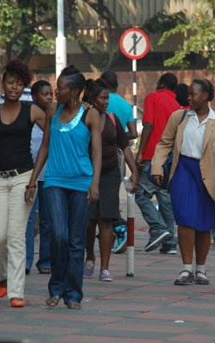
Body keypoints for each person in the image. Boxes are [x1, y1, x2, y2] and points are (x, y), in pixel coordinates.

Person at [27, 65, 102, 310]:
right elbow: (45, 148)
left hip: (81, 182)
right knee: (59, 235)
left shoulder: (90, 114)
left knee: (76, 240)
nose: (57, 91)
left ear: (77, 91)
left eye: (62, 88)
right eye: (57, 87)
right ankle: (56, 286)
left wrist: (95, 183)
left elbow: (97, 152)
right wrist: (32, 180)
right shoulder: (52, 112)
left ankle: (73, 294)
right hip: (55, 182)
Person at [152, 79, 215, 285]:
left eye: (193, 94)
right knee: (185, 220)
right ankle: (186, 268)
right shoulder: (179, 117)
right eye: (188, 94)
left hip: (208, 175)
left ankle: (201, 269)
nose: (189, 97)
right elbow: (164, 143)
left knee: (204, 223)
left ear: (205, 95)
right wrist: (156, 166)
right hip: (183, 172)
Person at [0, 60, 45, 308]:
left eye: (19, 84)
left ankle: (16, 292)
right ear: (3, 84)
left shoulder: (32, 110)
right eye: (10, 83)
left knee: (16, 236)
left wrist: (34, 178)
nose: (14, 87)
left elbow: (51, 132)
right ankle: (4, 275)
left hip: (23, 178)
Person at [83, 80, 138, 282]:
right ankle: (89, 255)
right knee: (89, 221)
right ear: (91, 99)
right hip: (87, 174)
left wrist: (134, 171)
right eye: (102, 98)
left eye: (107, 98)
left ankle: (104, 268)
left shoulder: (113, 119)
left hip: (110, 174)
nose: (106, 102)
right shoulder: (83, 119)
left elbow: (124, 146)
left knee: (106, 220)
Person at [135, 72, 180, 254]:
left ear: (160, 84)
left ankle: (159, 229)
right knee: (164, 198)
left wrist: (139, 152)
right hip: (170, 157)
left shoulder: (152, 98)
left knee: (141, 195)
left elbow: (148, 125)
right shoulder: (177, 105)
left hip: (152, 154)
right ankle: (170, 242)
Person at [99, 70, 137, 253]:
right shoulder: (125, 104)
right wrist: (117, 137)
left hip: (97, 154)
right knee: (111, 194)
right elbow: (134, 133)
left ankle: (117, 229)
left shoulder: (96, 101)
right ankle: (113, 229)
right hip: (118, 154)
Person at [25, 80, 53, 275]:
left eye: (51, 93)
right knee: (26, 219)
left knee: (48, 219)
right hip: (29, 176)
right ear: (35, 96)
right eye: (45, 94)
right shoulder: (27, 117)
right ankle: (25, 261)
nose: (50, 97)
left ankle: (46, 261)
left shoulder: (55, 118)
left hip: (49, 175)